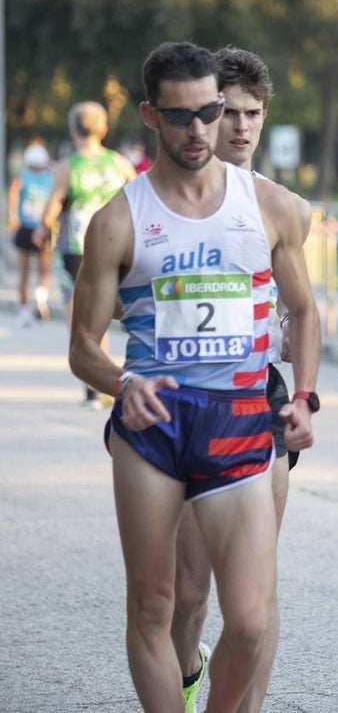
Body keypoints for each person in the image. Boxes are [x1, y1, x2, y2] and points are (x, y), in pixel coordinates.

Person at [67, 41, 320, 713]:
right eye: (182, 117)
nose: (202, 129)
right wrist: (124, 382)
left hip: (240, 416)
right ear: (151, 116)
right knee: (159, 602)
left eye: (211, 112)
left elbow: (303, 309)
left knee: (251, 618)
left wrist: (304, 396)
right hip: (153, 424)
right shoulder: (117, 220)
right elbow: (82, 347)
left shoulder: (270, 206)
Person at [171, 45, 314, 713]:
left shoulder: (286, 207)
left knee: (257, 586)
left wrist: (302, 383)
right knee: (189, 589)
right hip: (186, 399)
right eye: (229, 111)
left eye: (253, 113)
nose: (241, 126)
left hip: (260, 395)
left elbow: (300, 307)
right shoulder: (170, 200)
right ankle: (186, 672)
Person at [37, 100, 137, 406]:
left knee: (81, 321)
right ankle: (108, 383)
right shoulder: (119, 163)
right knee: (103, 313)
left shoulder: (68, 167)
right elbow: (140, 199)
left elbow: (51, 210)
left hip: (76, 249)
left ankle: (94, 387)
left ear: (73, 130)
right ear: (103, 129)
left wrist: (43, 229)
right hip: (117, 247)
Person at [7, 142, 55, 326]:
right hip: (41, 227)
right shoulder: (48, 177)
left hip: (29, 227)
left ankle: (27, 309)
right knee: (43, 271)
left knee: (25, 272)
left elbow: (13, 195)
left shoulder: (23, 177)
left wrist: (12, 215)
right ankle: (38, 299)